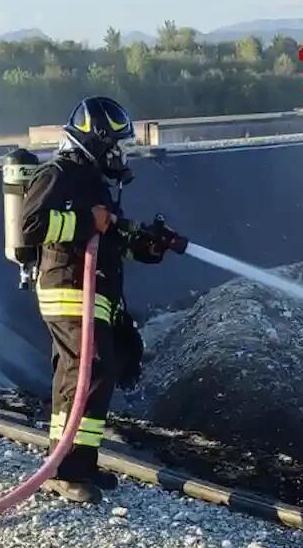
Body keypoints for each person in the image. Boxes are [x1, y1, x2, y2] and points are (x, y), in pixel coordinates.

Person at [21, 96, 186, 504]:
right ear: (95, 142)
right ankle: (67, 470)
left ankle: (75, 464)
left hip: (92, 294)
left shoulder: (94, 185)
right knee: (88, 373)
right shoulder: (58, 174)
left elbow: (109, 240)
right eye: (115, 145)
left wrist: (148, 244)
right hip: (68, 290)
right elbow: (31, 226)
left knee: (85, 375)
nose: (120, 153)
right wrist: (85, 221)